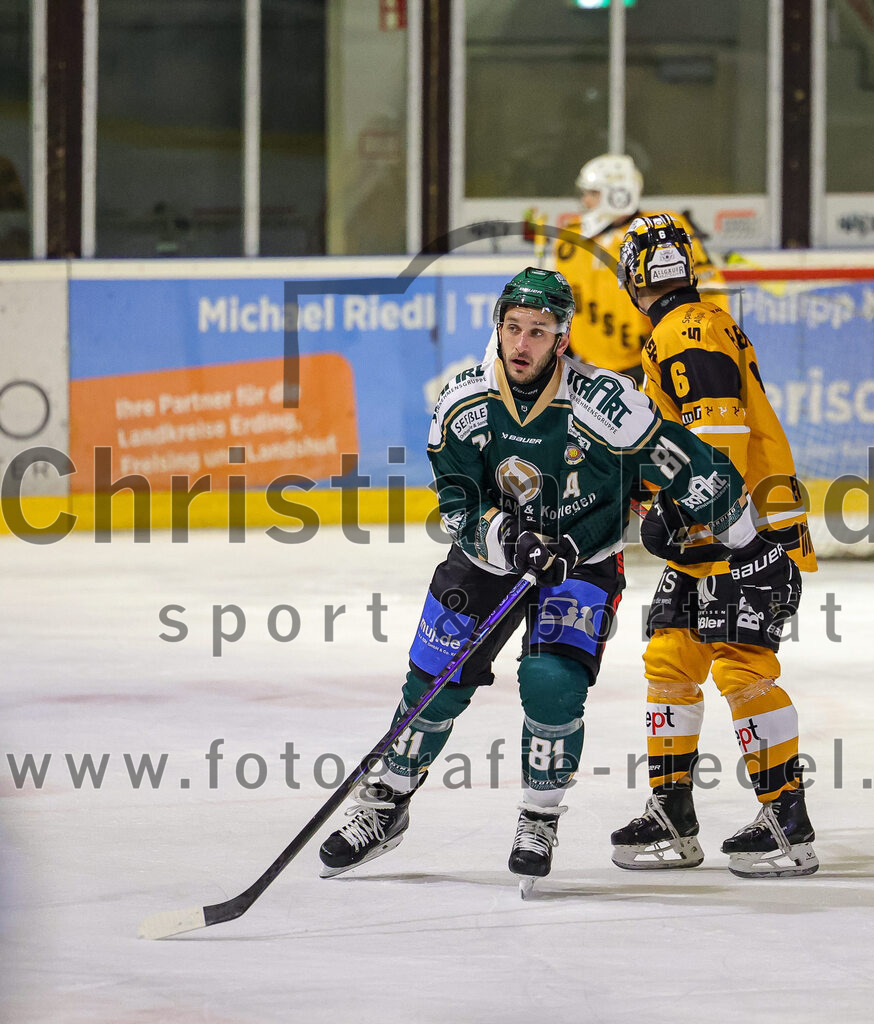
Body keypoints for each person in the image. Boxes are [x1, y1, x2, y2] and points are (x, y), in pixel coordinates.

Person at [318, 267, 783, 892]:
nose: (522, 343)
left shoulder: (606, 406)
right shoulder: (462, 405)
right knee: (434, 680)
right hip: (488, 561)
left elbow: (688, 463)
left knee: (551, 681)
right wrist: (509, 539)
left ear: (562, 340)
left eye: (538, 331)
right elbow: (458, 504)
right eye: (513, 328)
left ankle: (539, 818)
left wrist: (751, 545)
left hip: (581, 562)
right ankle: (385, 802)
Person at [610, 215, 820, 878]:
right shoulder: (693, 324)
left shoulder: (684, 330)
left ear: (631, 279)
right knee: (672, 656)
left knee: (740, 665)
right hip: (713, 530)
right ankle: (673, 810)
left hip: (741, 531)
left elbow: (719, 435)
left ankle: (788, 822)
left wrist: (686, 515)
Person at [554, 153, 725, 385]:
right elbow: (561, 302)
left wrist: (702, 347)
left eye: (593, 193)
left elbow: (708, 287)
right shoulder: (569, 239)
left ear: (620, 194)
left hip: (652, 366)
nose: (585, 201)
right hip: (589, 373)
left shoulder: (663, 228)